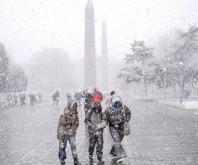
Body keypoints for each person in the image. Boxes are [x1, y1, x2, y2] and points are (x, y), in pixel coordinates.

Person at [105, 96, 131, 164]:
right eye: (115, 104)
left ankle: (113, 152)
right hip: (113, 127)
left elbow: (129, 113)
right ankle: (121, 156)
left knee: (118, 141)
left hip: (121, 127)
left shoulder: (124, 107)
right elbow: (105, 118)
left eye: (118, 104)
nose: (117, 106)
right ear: (113, 103)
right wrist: (104, 124)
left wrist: (127, 119)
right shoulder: (108, 109)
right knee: (116, 141)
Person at [57, 99, 81, 165]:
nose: (74, 108)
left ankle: (75, 160)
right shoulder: (65, 113)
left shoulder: (75, 113)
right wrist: (69, 117)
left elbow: (76, 122)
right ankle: (62, 159)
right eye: (73, 106)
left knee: (73, 146)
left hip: (71, 132)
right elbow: (63, 123)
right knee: (62, 146)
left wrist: (75, 127)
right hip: (63, 132)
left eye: (75, 106)